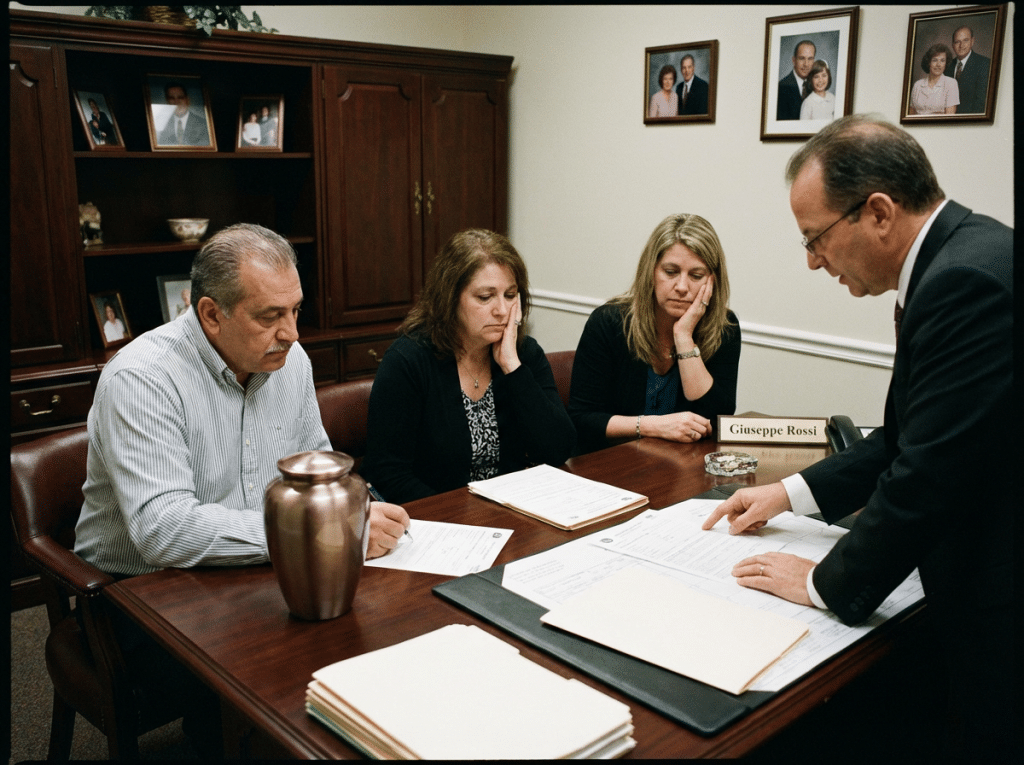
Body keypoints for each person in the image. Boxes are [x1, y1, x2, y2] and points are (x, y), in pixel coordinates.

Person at [701, 115, 1014, 759]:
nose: (813, 261)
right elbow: (904, 436)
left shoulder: (964, 282)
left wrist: (820, 582)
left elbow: (923, 477)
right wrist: (784, 493)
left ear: (878, 211)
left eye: (815, 238)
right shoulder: (962, 255)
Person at [75, 222, 411, 756]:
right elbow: (164, 532)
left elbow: (319, 465)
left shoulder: (289, 361)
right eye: (270, 316)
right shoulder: (142, 378)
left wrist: (356, 506)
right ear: (212, 314)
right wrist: (318, 534)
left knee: (380, 631)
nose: (292, 332)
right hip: (139, 590)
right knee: (273, 686)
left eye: (295, 310)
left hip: (251, 566)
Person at [361, 229, 575, 504]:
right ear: (450, 299)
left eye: (510, 295)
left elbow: (558, 450)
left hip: (510, 510)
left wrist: (512, 367)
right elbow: (387, 474)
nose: (501, 310)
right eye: (485, 297)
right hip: (438, 520)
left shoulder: (523, 354)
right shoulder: (408, 361)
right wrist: (465, 517)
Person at [568, 214, 740, 456]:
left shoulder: (725, 327)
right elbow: (581, 419)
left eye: (696, 276)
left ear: (712, 281)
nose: (682, 287)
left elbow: (715, 419)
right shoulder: (608, 323)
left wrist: (683, 337)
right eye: (671, 272)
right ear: (651, 272)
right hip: (611, 463)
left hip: (680, 467)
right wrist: (653, 426)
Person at [945, 25, 991, 114]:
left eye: (965, 40)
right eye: (957, 42)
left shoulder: (985, 64)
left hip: (971, 122)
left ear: (972, 41)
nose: (961, 46)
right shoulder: (947, 66)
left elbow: (981, 102)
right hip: (947, 121)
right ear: (952, 45)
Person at [908, 43, 959, 115]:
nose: (938, 64)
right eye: (934, 60)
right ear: (929, 62)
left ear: (946, 63)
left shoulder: (951, 83)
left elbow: (949, 116)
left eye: (942, 61)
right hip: (917, 125)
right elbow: (911, 114)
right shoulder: (917, 85)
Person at [777, 40, 815, 120]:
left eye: (810, 59)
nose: (806, 64)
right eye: (802, 58)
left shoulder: (816, 87)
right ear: (794, 60)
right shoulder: (781, 88)